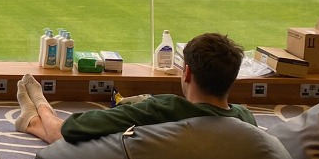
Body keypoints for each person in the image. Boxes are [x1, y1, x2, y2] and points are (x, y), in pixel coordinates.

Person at [13, 32, 256, 144]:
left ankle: (38, 112)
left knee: (67, 137)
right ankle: (31, 119)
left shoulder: (163, 110)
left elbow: (69, 130)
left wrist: (45, 106)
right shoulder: (246, 120)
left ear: (188, 73)